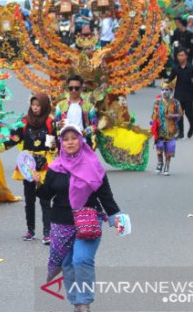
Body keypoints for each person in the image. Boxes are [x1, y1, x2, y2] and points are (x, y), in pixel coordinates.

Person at [38, 125, 121, 312]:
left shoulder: (93, 166)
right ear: (61, 143)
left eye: (73, 138)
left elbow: (105, 195)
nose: (70, 142)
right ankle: (77, 301)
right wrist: (36, 181)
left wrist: (117, 219)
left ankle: (84, 303)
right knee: (67, 264)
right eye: (66, 139)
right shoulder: (55, 168)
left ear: (81, 140)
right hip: (61, 222)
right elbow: (46, 195)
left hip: (88, 220)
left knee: (81, 260)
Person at [4, 93, 56, 244]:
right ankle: (30, 230)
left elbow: (52, 145)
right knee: (29, 199)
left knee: (45, 199)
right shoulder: (25, 122)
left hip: (43, 165)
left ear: (44, 106)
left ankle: (48, 232)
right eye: (33, 105)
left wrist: (52, 147)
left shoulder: (49, 122)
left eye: (38, 105)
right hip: (26, 164)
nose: (35, 108)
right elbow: (14, 139)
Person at [167, 48, 193, 139]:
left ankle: (192, 125)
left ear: (186, 56)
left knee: (189, 113)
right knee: (179, 113)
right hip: (178, 93)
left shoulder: (191, 68)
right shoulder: (175, 69)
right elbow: (170, 80)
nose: (181, 57)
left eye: (182, 55)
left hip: (189, 94)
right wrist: (167, 88)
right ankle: (181, 132)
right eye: (179, 55)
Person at [55, 75, 98, 148]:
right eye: (71, 88)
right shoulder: (60, 106)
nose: (73, 90)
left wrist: (84, 132)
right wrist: (58, 125)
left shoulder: (89, 107)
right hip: (65, 144)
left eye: (76, 88)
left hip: (83, 143)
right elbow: (55, 124)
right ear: (68, 89)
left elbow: (94, 126)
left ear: (81, 88)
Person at [151, 80, 182, 175]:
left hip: (171, 130)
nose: (164, 92)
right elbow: (153, 115)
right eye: (163, 90)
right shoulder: (157, 102)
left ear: (171, 91)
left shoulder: (175, 103)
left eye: (167, 90)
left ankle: (167, 166)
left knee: (169, 148)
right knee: (159, 148)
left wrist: (172, 116)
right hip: (160, 130)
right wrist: (153, 123)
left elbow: (180, 114)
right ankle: (160, 163)